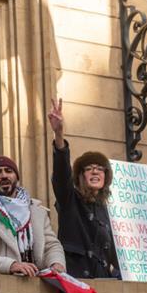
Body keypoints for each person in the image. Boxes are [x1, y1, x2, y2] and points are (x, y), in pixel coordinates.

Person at [48, 97, 120, 279]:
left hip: (105, 285)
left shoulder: (107, 210)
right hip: (77, 283)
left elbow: (117, 254)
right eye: (89, 169)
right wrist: (59, 135)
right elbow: (61, 175)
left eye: (100, 169)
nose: (95, 172)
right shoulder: (69, 200)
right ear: (80, 176)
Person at [0, 155, 66, 276]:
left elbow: (51, 245)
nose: (4, 175)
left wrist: (56, 263)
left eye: (9, 171)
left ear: (17, 177)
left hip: (36, 287)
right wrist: (10, 265)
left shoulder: (37, 211)